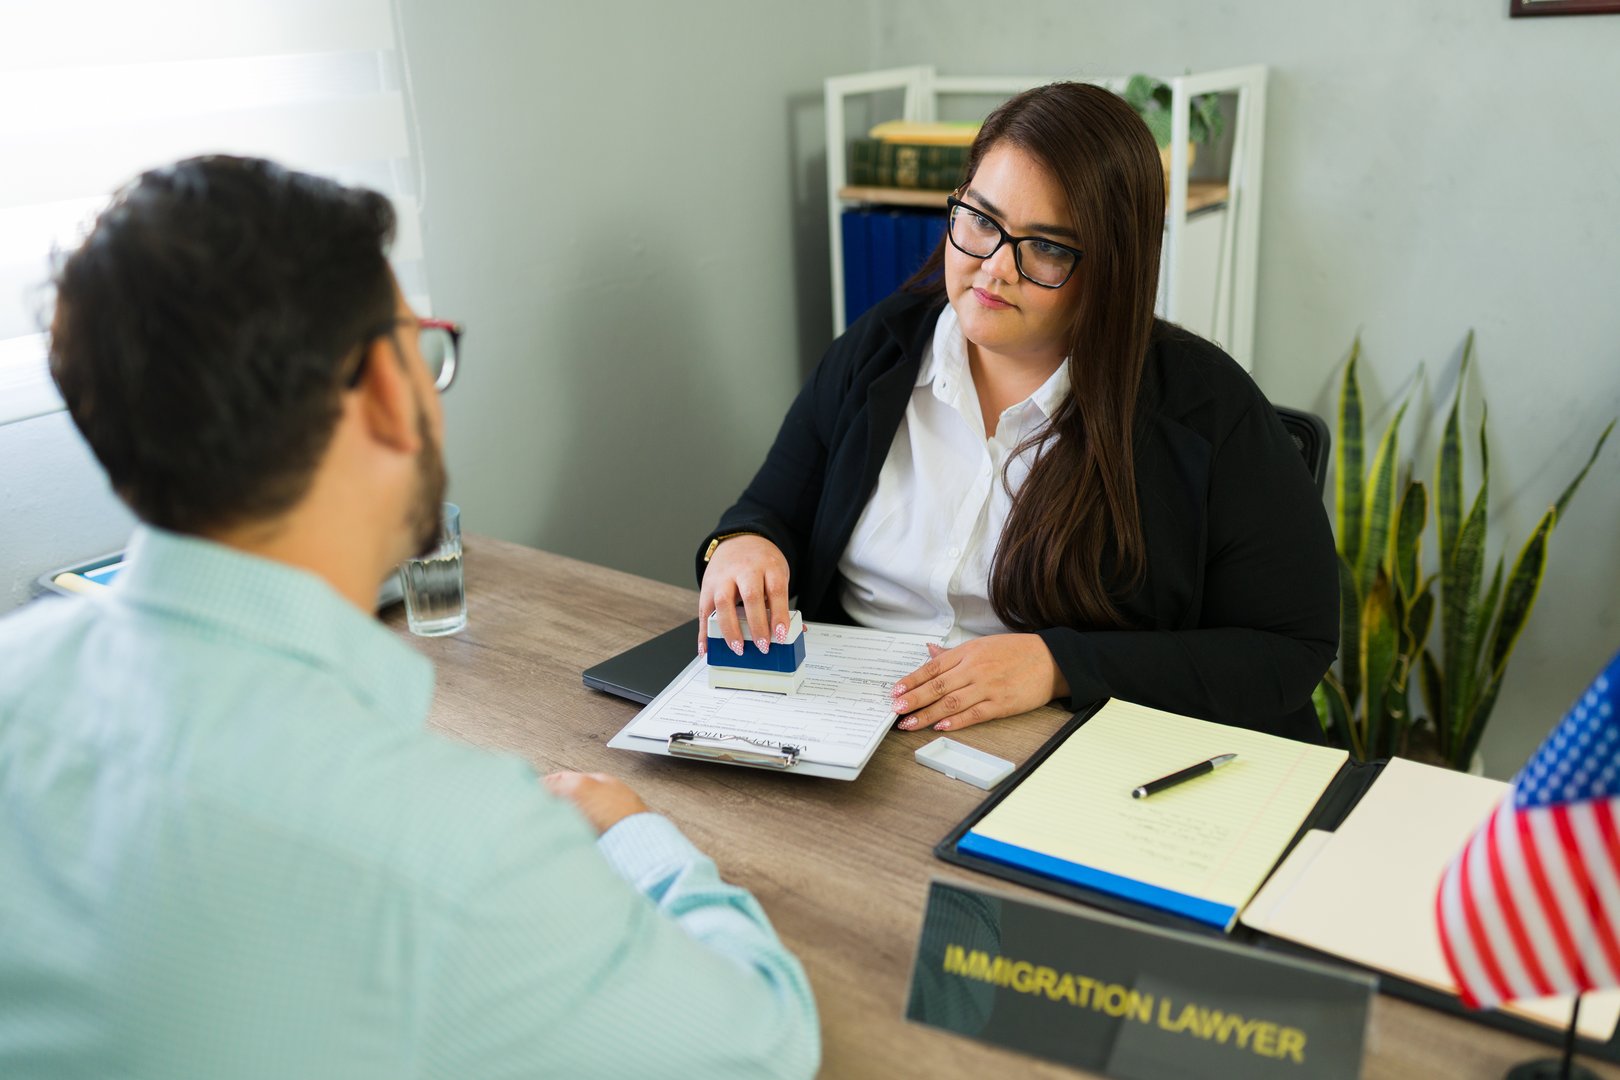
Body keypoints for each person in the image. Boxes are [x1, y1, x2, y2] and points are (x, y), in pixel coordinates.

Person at [0, 156, 817, 1079]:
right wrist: (634, 833)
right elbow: (762, 1043)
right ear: (390, 392)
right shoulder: (457, 854)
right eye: (422, 344)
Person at [698, 82, 1336, 743]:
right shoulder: (880, 347)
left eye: (1048, 247)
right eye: (981, 220)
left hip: (1070, 745)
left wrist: (1058, 665)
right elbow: (768, 511)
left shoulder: (1207, 409)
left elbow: (1290, 649)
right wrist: (743, 545)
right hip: (855, 722)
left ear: (1113, 267)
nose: (996, 268)